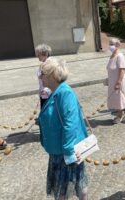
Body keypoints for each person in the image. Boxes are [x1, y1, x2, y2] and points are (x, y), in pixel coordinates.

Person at [38, 57, 88, 200]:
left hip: (65, 153)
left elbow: (70, 124)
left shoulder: (64, 92)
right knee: (76, 184)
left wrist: (68, 152)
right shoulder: (56, 91)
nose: (40, 77)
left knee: (64, 191)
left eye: (42, 73)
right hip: (59, 151)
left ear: (51, 75)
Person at [106, 38, 125, 124]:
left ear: (117, 45)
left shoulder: (120, 56)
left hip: (118, 80)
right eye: (109, 44)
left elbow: (122, 69)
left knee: (119, 98)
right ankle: (120, 113)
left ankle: (121, 115)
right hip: (112, 80)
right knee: (114, 98)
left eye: (112, 44)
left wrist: (119, 82)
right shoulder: (112, 55)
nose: (110, 46)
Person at [35, 44, 52, 108]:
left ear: (45, 54)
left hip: (48, 93)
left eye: (39, 54)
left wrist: (46, 90)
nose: (37, 56)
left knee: (48, 109)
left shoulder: (49, 64)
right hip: (44, 92)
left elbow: (52, 78)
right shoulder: (44, 63)